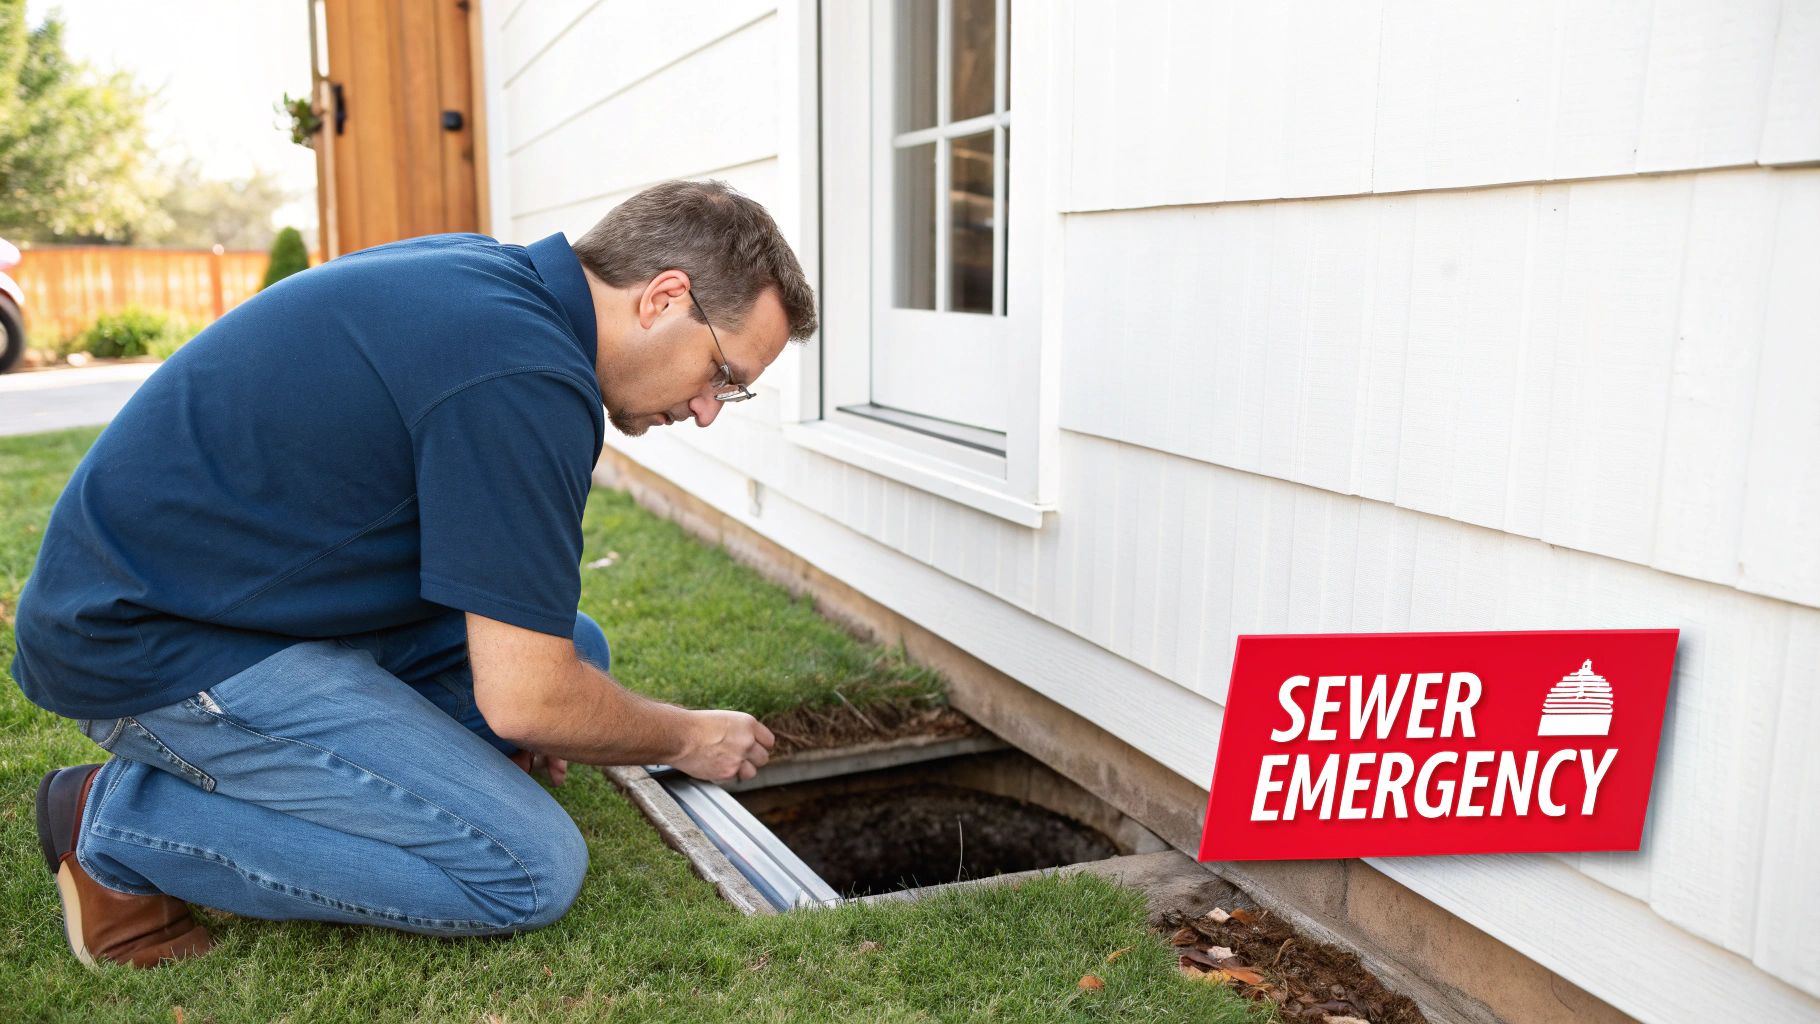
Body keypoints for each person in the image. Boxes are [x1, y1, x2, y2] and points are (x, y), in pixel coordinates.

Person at [13, 179, 818, 968]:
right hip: (150, 643)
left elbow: (533, 669)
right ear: (663, 298)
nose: (710, 409)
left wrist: (547, 711)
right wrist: (688, 736)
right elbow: (527, 698)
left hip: (232, 597)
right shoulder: (522, 376)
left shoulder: (494, 285)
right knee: (529, 869)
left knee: (581, 650)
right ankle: (115, 822)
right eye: (723, 374)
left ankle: (407, 782)